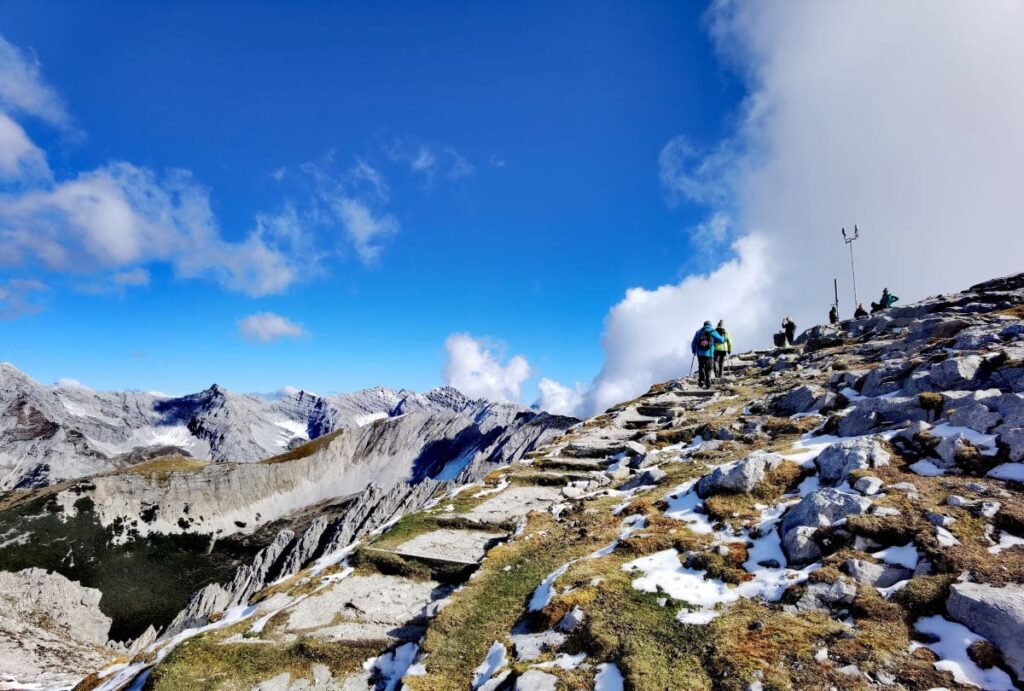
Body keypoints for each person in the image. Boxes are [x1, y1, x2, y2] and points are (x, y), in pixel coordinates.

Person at [691, 320, 725, 389]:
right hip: (709, 353)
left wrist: (694, 351)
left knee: (701, 367)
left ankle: (701, 381)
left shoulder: (698, 332)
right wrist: (723, 335)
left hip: (700, 353)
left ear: (704, 325)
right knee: (708, 368)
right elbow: (721, 340)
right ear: (710, 325)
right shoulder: (713, 331)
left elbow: (693, 343)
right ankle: (708, 382)